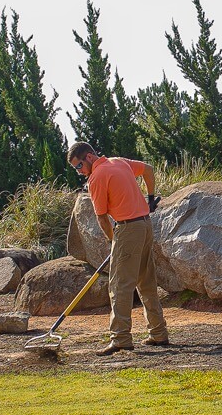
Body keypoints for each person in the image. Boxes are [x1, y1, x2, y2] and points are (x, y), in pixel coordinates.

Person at [67, 141, 169, 355]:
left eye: (79, 167)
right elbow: (148, 170)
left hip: (128, 227)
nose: (80, 172)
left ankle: (121, 338)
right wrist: (150, 199)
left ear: (89, 157)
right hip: (144, 225)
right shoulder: (119, 162)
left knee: (119, 286)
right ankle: (158, 333)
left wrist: (114, 240)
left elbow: (102, 217)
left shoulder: (96, 178)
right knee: (146, 281)